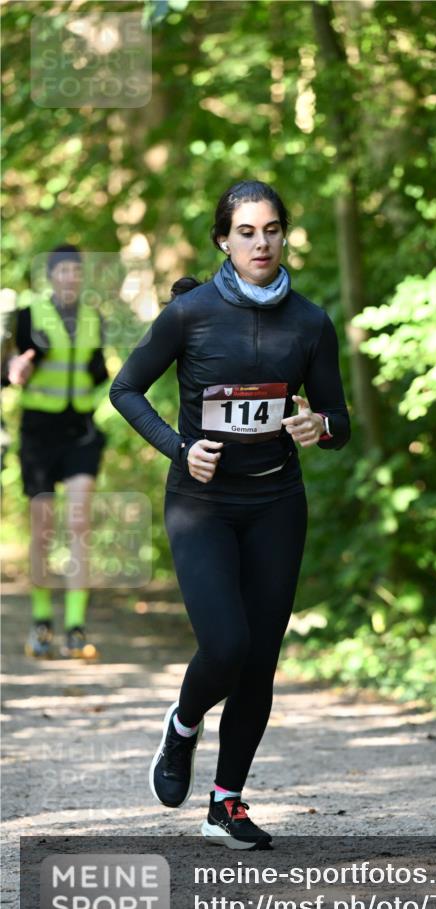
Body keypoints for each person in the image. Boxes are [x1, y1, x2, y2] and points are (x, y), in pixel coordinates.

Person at [109, 180, 351, 849]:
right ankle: (182, 724)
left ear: (284, 235)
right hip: (203, 505)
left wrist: (321, 426)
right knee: (226, 646)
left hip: (277, 503)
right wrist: (180, 449)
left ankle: (226, 804)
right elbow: (125, 389)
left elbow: (339, 419)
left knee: (260, 660)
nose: (260, 243)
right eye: (246, 232)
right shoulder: (190, 315)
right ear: (223, 240)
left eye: (271, 229)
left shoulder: (310, 323)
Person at [4, 245, 108, 659]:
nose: (69, 278)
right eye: (62, 271)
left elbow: (98, 372)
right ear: (50, 276)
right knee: (43, 528)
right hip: (38, 436)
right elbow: (7, 365)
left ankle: (77, 628)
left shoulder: (93, 319)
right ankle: (42, 622)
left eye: (75, 271)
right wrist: (13, 370)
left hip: (80, 432)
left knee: (80, 524)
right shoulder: (27, 316)